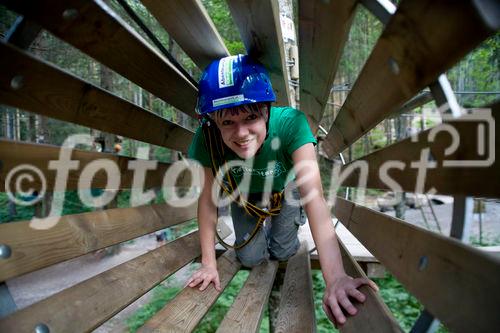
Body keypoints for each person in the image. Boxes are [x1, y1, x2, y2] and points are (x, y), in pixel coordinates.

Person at [185, 54, 378, 327]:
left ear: (266, 111)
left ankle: (285, 220)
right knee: (250, 257)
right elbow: (208, 202)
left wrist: (334, 277)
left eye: (251, 117)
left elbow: (315, 199)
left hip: (287, 190)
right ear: (213, 122)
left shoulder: (291, 124)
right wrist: (208, 263)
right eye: (227, 122)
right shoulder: (206, 139)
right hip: (244, 195)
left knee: (283, 250)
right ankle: (259, 225)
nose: (241, 133)